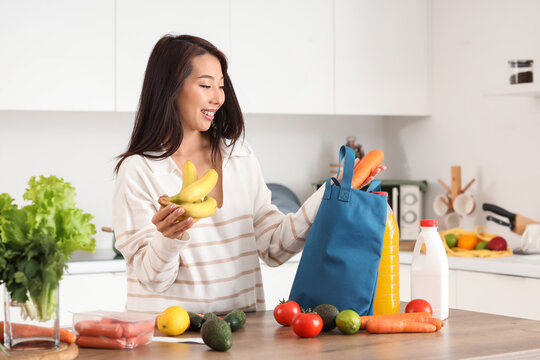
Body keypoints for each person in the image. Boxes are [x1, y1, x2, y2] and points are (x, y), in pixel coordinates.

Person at [112, 34, 385, 315]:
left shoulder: (239, 156)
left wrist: (335, 190)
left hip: (240, 334)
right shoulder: (139, 170)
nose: (218, 97)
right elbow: (152, 280)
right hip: (168, 340)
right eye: (206, 85)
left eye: (221, 86)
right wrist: (168, 239)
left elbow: (274, 247)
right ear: (170, 89)